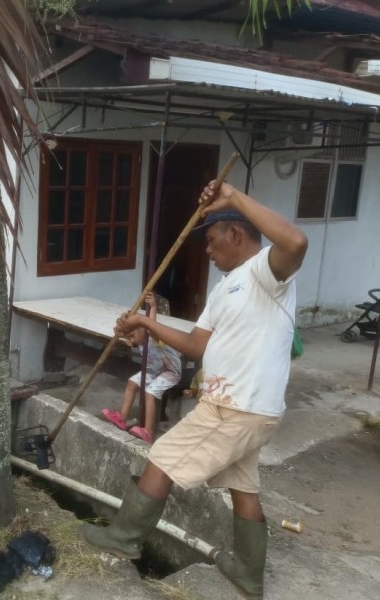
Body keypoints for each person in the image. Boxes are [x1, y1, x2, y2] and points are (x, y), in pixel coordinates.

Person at [81, 180, 308, 599]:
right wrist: (146, 326)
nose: (207, 250)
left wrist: (234, 197)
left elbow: (296, 240)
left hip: (236, 407)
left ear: (236, 233)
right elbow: (198, 346)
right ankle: (247, 574)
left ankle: (124, 538)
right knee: (243, 485)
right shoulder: (225, 288)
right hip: (245, 407)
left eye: (211, 239)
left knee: (163, 457)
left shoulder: (266, 271)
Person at [101, 292, 182, 445]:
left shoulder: (153, 336)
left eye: (132, 336)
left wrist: (152, 306)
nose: (130, 342)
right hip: (154, 370)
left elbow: (152, 322)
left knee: (150, 392)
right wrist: (121, 329)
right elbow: (122, 331)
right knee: (132, 382)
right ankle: (122, 418)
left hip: (170, 371)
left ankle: (148, 432)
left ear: (142, 329)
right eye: (128, 338)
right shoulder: (137, 339)